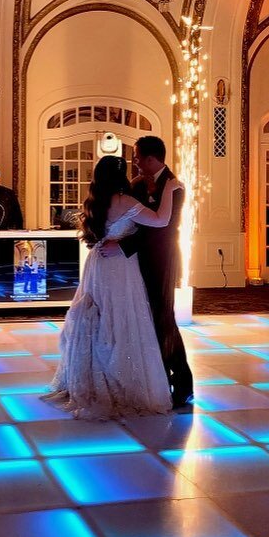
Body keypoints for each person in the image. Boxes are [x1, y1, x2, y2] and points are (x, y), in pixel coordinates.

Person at [44, 155, 183, 419]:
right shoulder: (125, 201)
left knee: (98, 315)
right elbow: (161, 220)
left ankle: (91, 379)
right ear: (121, 176)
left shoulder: (94, 202)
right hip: (119, 266)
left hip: (97, 263)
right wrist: (170, 188)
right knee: (121, 318)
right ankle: (119, 379)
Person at [101, 135, 193, 408]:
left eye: (138, 157)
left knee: (162, 319)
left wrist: (123, 246)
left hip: (161, 261)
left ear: (152, 158)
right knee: (147, 320)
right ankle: (157, 379)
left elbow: (162, 230)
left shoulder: (175, 187)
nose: (136, 162)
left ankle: (181, 384)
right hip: (135, 262)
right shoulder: (138, 184)